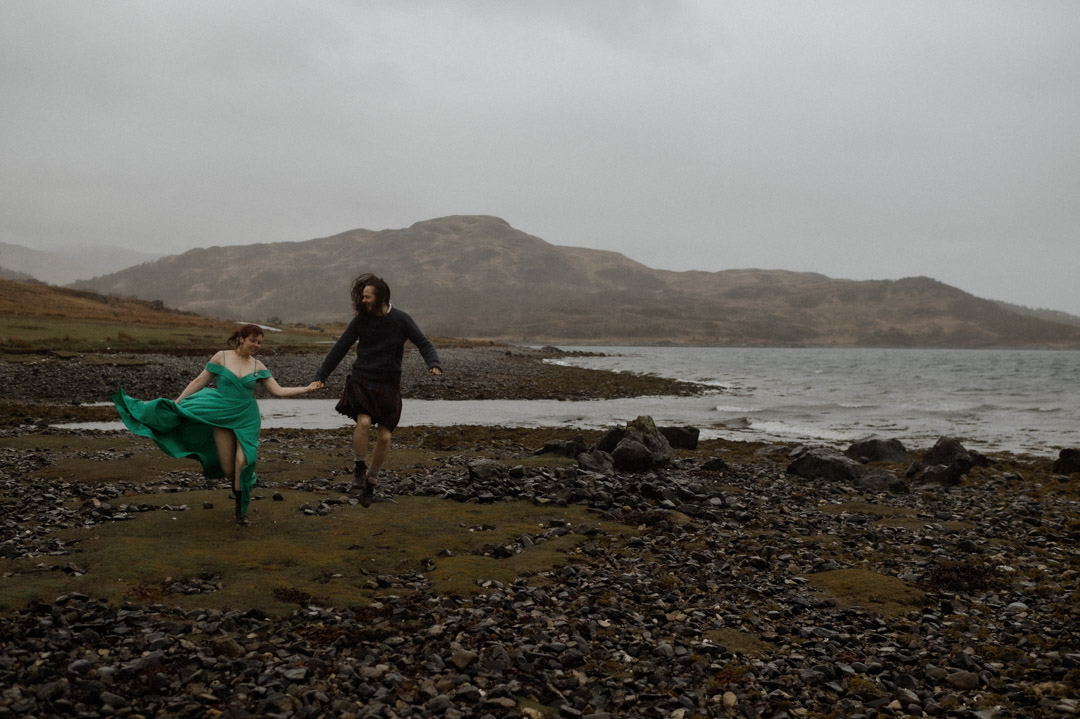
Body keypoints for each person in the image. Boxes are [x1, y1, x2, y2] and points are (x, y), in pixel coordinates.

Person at [111, 324, 320, 525]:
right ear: (241, 339)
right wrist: (177, 403)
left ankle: (241, 512)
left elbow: (278, 390)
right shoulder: (222, 357)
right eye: (253, 341)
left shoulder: (258, 366)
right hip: (220, 414)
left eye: (259, 342)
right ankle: (240, 481)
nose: (256, 345)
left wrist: (306, 388)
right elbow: (199, 381)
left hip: (246, 417)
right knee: (228, 468)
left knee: (244, 461)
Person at [312, 273, 442, 507]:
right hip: (363, 379)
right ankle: (359, 469)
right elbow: (340, 347)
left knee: (385, 436)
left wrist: (433, 363)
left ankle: (371, 481)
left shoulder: (401, 319)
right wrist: (321, 376)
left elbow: (423, 343)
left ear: (381, 297)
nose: (363, 300)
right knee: (363, 422)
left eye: (367, 296)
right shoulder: (361, 320)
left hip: (389, 383)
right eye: (362, 296)